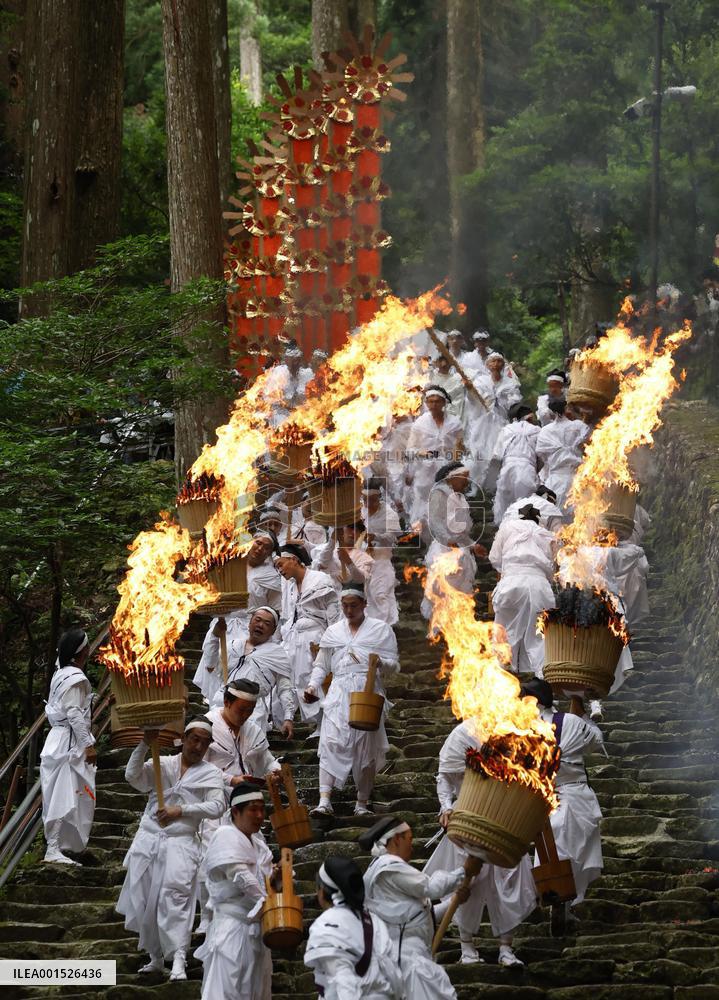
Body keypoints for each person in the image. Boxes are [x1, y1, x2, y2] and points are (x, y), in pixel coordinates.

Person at [116, 718, 225, 981]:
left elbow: (217, 806)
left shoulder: (211, 773)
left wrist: (181, 810)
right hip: (149, 839)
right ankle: (155, 957)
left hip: (181, 842)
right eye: (194, 739)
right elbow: (133, 777)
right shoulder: (162, 763)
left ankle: (178, 958)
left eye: (204, 741)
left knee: (175, 900)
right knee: (143, 900)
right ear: (184, 739)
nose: (198, 746)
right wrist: (145, 743)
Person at [424, 720, 536, 967]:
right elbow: (444, 775)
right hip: (469, 819)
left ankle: (506, 948)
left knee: (510, 884)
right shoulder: (463, 733)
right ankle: (467, 948)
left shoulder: (514, 728)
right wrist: (447, 807)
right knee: (467, 883)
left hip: (506, 820)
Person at [304, 583, 400, 817]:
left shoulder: (380, 630)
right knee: (330, 742)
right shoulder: (333, 631)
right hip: (338, 691)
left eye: (353, 605)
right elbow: (322, 664)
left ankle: (362, 803)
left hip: (366, 691)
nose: (348, 610)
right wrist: (313, 685)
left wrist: (380, 664)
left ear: (364, 605)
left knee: (365, 747)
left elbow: (394, 666)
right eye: (344, 605)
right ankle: (324, 801)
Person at [521, 679, 604, 925]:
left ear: (533, 701)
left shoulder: (520, 729)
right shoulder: (569, 721)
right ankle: (564, 902)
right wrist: (583, 718)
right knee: (572, 850)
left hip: (547, 797)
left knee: (554, 848)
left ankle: (562, 903)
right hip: (571, 794)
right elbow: (597, 741)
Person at [360, 816, 466, 999]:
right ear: (396, 839)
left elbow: (420, 916)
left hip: (404, 956)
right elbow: (432, 887)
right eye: (409, 839)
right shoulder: (388, 866)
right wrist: (465, 871)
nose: (412, 845)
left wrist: (455, 900)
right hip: (405, 960)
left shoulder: (381, 869)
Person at [196, 784, 280, 999]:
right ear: (235, 812)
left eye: (262, 809)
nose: (260, 815)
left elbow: (267, 882)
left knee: (255, 990)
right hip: (231, 927)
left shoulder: (260, 845)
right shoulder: (225, 834)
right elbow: (240, 876)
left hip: (257, 928)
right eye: (253, 809)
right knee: (227, 988)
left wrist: (276, 880)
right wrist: (267, 901)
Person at [193, 532, 282, 704]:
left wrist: (272, 639)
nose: (260, 548)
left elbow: (275, 609)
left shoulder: (271, 576)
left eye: (267, 547)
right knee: (216, 664)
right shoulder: (230, 564)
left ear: (270, 553)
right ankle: (217, 707)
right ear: (251, 542)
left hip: (249, 628)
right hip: (223, 622)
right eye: (258, 543)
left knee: (240, 668)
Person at [305, 855, 404, 998]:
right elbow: (393, 973)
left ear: (321, 891)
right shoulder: (374, 921)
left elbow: (343, 979)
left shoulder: (326, 924)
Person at [40, 628, 96, 865]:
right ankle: (53, 847)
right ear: (82, 650)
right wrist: (88, 745)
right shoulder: (75, 678)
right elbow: (74, 713)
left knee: (59, 792)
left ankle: (59, 846)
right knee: (62, 793)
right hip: (68, 741)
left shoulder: (60, 674)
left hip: (58, 737)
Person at [489, 504, 556, 676]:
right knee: (539, 637)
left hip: (511, 583)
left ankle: (500, 679)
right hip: (539, 587)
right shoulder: (547, 535)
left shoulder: (507, 528)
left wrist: (506, 569)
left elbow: (494, 558)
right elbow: (554, 567)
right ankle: (543, 685)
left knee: (504, 634)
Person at [276, 542, 340, 722]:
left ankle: (323, 722)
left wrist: (333, 641)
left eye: (281, 564)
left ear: (294, 559)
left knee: (316, 677)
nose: (279, 570)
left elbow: (332, 611)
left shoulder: (319, 579)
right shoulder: (289, 587)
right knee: (294, 679)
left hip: (316, 637)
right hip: (294, 638)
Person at [210, 608, 295, 737]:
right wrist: (214, 637)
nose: (260, 625)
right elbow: (210, 665)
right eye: (257, 620)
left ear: (273, 630)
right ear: (250, 622)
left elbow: (285, 688)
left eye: (267, 624)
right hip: (223, 703)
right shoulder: (232, 645)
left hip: (252, 711)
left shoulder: (277, 654)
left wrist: (288, 718)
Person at [421, 462, 486, 621]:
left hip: (460, 552)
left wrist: (473, 545)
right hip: (444, 553)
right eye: (464, 478)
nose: (467, 481)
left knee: (461, 594)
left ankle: (459, 628)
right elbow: (435, 522)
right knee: (442, 592)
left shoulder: (460, 498)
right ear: (452, 478)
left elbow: (462, 533)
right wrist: (449, 542)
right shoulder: (439, 493)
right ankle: (440, 629)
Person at [405, 385, 464, 540]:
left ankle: (447, 538)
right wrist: (421, 452)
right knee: (425, 502)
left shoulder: (455, 423)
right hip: (425, 470)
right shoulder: (419, 424)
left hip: (447, 467)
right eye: (430, 402)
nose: (433, 405)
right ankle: (426, 540)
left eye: (437, 401)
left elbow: (461, 445)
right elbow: (409, 450)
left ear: (444, 403)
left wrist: (456, 462)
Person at [467, 353, 522, 487]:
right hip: (483, 424)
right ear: (488, 365)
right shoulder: (480, 381)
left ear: (503, 365)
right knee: (479, 453)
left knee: (498, 454)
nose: (496, 364)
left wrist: (501, 399)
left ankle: (496, 486)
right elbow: (473, 401)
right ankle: (477, 486)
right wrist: (470, 390)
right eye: (493, 362)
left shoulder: (510, 383)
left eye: (499, 361)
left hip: (501, 423)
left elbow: (515, 404)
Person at [535, 398, 591, 510]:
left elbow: (542, 455)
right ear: (566, 409)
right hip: (576, 480)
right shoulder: (578, 426)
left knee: (554, 513)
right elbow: (589, 439)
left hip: (555, 481)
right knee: (578, 516)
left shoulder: (546, 431)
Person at [490, 403, 540, 524]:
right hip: (527, 469)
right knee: (526, 504)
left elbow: (497, 455)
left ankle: (504, 533)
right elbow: (542, 455)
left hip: (507, 469)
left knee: (505, 504)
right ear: (528, 418)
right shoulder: (537, 430)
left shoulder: (506, 430)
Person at [262, 347, 313, 427]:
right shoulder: (278, 373)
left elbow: (312, 399)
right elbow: (267, 397)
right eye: (291, 360)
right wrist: (283, 402)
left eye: (297, 360)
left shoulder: (307, 374)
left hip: (303, 414)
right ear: (286, 361)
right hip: (281, 413)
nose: (294, 363)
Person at [427, 352, 466, 421]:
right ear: (436, 362)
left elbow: (457, 405)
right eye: (441, 360)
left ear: (451, 362)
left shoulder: (457, 381)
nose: (444, 364)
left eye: (447, 360)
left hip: (448, 420)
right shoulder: (429, 378)